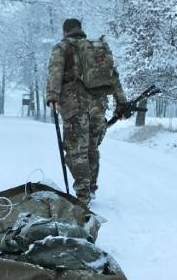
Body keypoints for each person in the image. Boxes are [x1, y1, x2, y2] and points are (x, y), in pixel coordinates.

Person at [45, 18, 126, 205]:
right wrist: (121, 102)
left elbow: (55, 72)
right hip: (99, 104)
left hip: (75, 104)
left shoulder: (62, 47)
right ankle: (91, 187)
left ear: (65, 31)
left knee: (75, 150)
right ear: (81, 30)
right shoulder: (96, 49)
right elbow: (113, 77)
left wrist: (52, 97)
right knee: (92, 147)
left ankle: (83, 193)